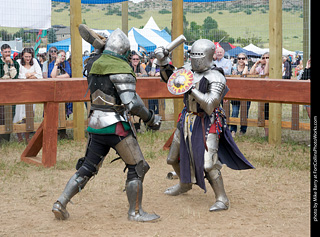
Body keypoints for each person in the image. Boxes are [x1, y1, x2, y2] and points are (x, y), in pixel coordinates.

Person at [52, 26, 161, 222]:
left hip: (95, 124)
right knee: (137, 166)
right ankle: (135, 212)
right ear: (124, 52)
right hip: (116, 127)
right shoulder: (120, 68)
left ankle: (61, 202)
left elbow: (99, 59)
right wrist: (150, 118)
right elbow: (132, 103)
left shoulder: (94, 64)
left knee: (87, 167)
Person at [154, 39, 254, 212]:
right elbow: (170, 80)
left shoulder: (216, 76)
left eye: (198, 56)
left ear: (207, 56)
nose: (195, 60)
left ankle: (222, 198)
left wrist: (189, 88)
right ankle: (185, 183)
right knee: (172, 158)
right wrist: (163, 61)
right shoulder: (187, 69)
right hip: (186, 119)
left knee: (209, 165)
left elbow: (209, 105)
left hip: (208, 121)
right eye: (192, 56)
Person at [13, 48, 42, 143]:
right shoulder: (18, 62)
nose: (28, 58)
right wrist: (31, 75)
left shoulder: (34, 61)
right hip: (20, 92)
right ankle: (19, 137)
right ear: (22, 56)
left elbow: (40, 75)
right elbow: (18, 75)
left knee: (29, 114)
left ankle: (27, 136)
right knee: (19, 114)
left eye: (29, 56)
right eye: (26, 56)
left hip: (31, 92)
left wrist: (28, 75)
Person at [0, 44, 20, 143]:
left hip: (11, 92)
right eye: (5, 52)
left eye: (9, 52)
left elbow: (14, 77)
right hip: (1, 91)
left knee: (10, 113)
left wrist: (11, 64)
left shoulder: (15, 63)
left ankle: (6, 138)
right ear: (1, 53)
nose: (7, 54)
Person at [230, 53, 251, 137]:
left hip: (246, 93)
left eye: (243, 58)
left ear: (246, 59)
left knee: (244, 112)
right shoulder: (234, 68)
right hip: (236, 93)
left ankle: (243, 130)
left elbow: (244, 75)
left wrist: (246, 65)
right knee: (234, 112)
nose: (241, 60)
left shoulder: (249, 68)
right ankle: (233, 130)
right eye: (239, 58)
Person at [249, 52, 269, 137]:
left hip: (270, 92)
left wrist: (267, 63)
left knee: (270, 113)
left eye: (267, 58)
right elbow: (251, 73)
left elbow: (266, 73)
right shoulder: (260, 67)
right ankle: (267, 134)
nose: (265, 59)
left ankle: (270, 133)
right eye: (263, 58)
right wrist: (256, 64)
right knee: (264, 113)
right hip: (262, 92)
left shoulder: (272, 67)